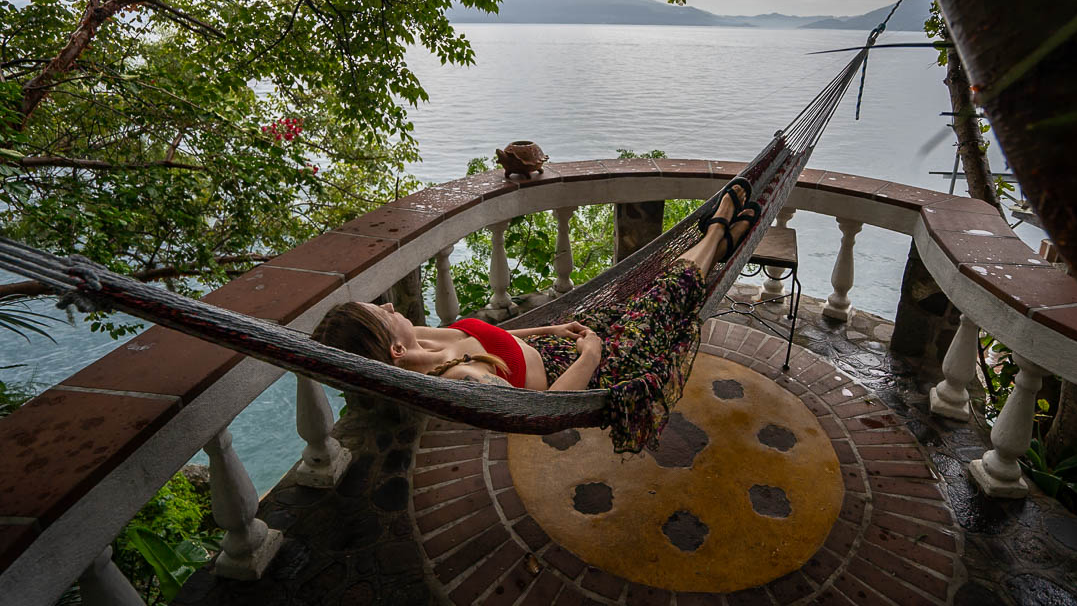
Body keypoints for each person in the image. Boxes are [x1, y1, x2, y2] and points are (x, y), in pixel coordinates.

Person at [311, 178, 760, 451]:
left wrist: (550, 325)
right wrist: (591, 352)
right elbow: (544, 415)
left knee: (638, 292)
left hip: (560, 341)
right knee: (664, 296)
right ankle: (719, 230)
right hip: (593, 368)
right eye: (382, 312)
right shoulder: (464, 383)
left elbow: (494, 337)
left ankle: (720, 240)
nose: (391, 306)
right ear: (392, 347)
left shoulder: (424, 340)